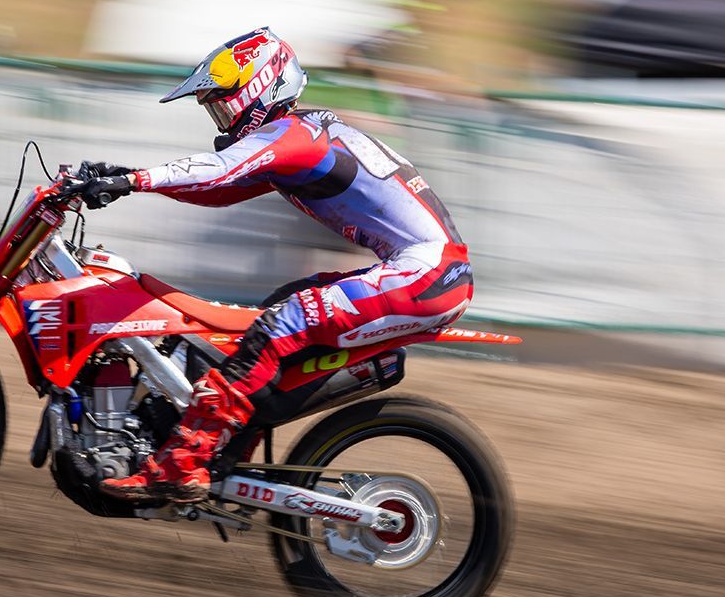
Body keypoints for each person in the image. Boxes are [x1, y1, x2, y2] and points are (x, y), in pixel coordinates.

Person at [79, 28, 474, 503]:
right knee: (274, 309)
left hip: (426, 275)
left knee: (280, 324)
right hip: (425, 273)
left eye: (223, 105)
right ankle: (229, 449)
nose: (221, 121)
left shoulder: (293, 134)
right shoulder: (303, 134)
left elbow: (218, 170)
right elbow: (220, 191)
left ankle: (182, 465)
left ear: (262, 88)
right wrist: (124, 178)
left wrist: (133, 181)